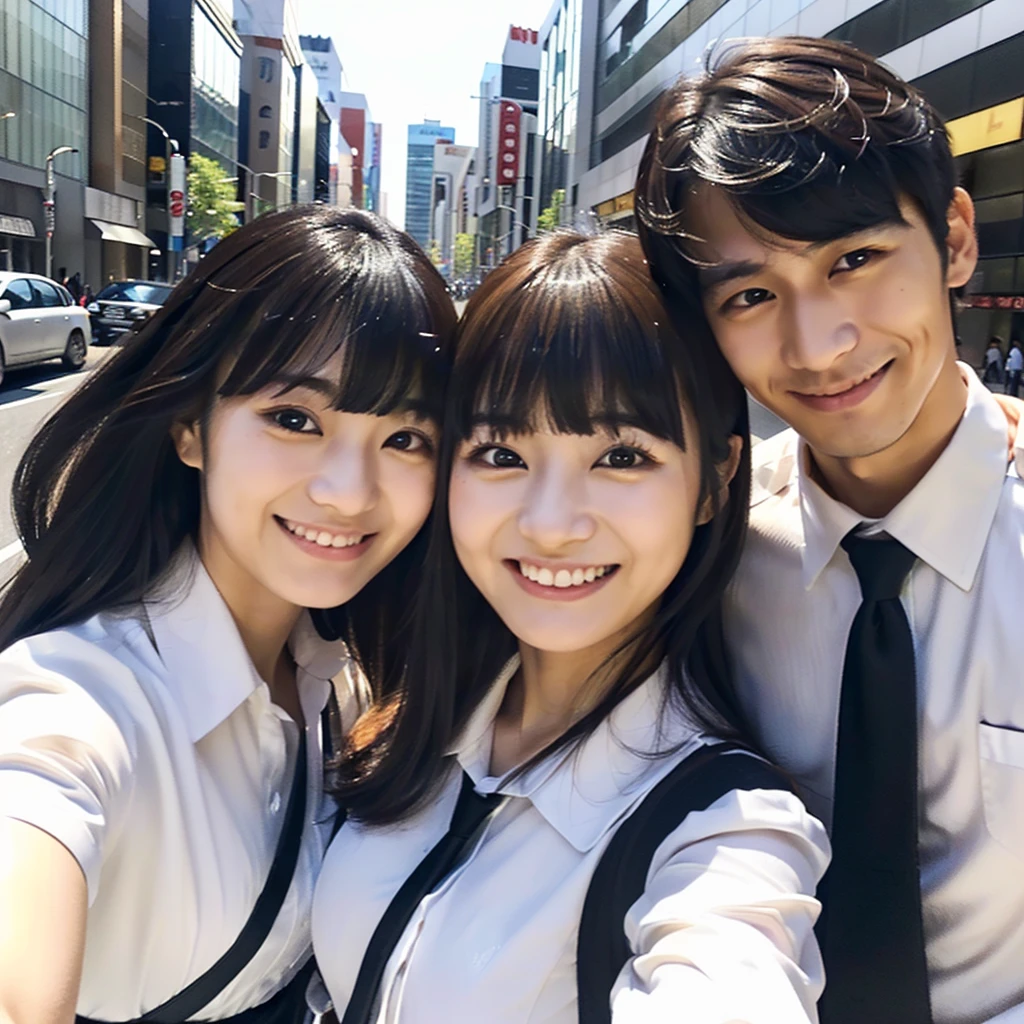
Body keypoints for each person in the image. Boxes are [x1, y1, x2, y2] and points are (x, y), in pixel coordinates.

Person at [312, 231, 830, 1024]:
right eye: (499, 454)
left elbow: (731, 967)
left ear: (714, 483)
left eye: (622, 457)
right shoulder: (407, 716)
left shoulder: (718, 831)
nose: (551, 526)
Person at [636, 36, 1024, 1024]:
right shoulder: (694, 551)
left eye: (854, 259)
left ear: (956, 237)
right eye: (752, 295)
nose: (819, 345)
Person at [0, 207, 456, 1023]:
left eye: (406, 439)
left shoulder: (340, 673)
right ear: (190, 428)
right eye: (294, 420)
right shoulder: (86, 696)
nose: (348, 492)